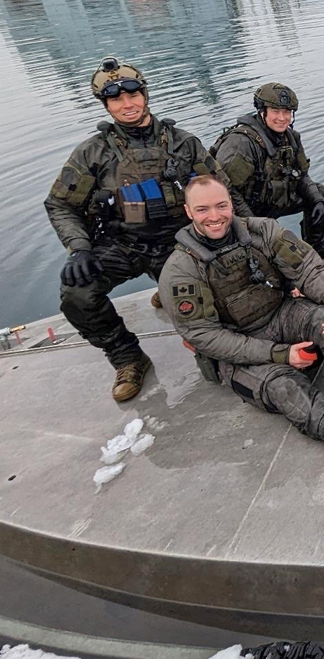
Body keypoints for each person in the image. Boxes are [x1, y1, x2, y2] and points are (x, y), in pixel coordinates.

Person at [159, 176, 324, 458]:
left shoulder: (262, 231)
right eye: (202, 210)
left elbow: (310, 268)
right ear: (188, 212)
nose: (214, 217)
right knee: (281, 385)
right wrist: (280, 354)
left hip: (282, 312)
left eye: (221, 206)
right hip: (237, 346)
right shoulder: (180, 271)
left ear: (231, 204)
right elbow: (205, 336)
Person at [47, 57, 240, 403]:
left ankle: (168, 289)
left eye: (133, 95)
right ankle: (127, 357)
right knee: (77, 293)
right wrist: (78, 247)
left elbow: (221, 191)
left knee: (228, 314)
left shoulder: (183, 144)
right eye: (116, 100)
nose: (127, 105)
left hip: (180, 244)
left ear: (145, 94)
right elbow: (61, 204)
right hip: (122, 243)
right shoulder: (93, 152)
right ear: (106, 105)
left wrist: (244, 235)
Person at [211, 82, 324, 255]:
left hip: (271, 200)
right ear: (262, 111)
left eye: (287, 112)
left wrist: (316, 200)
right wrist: (255, 223)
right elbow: (225, 190)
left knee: (321, 194)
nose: (282, 118)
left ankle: (317, 248)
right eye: (276, 111)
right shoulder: (241, 143)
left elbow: (301, 174)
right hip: (242, 209)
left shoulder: (291, 138)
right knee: (268, 251)